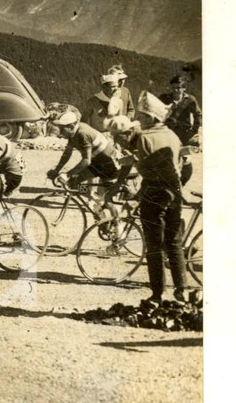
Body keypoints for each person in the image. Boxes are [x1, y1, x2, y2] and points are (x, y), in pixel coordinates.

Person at [107, 92, 190, 304]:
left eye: (143, 117)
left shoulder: (144, 138)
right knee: (174, 242)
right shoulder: (172, 135)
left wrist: (131, 165)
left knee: (154, 246)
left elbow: (146, 169)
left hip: (155, 192)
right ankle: (182, 290)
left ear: (152, 118)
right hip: (175, 192)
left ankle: (158, 293)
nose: (140, 121)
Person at [47, 108, 121, 190]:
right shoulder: (73, 131)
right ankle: (86, 197)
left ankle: (91, 196)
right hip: (98, 162)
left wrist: (67, 174)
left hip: (110, 164)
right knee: (73, 183)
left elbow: (86, 160)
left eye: (62, 129)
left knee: (105, 193)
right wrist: (57, 170)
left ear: (71, 126)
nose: (60, 132)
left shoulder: (82, 133)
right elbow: (67, 154)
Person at [83, 66, 135, 132]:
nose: (117, 88)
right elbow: (84, 121)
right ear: (104, 87)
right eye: (113, 86)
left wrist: (125, 122)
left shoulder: (122, 96)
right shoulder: (94, 101)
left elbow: (130, 111)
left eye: (117, 85)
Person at [159, 75, 202, 146]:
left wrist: (192, 132)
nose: (175, 90)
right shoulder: (164, 98)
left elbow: (198, 116)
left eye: (178, 88)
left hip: (184, 134)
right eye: (173, 88)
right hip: (167, 133)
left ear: (184, 88)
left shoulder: (190, 100)